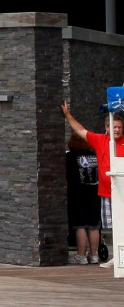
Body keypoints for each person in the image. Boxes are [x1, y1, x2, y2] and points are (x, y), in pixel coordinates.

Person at [63, 101, 123, 267]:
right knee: (112, 226)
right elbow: (81, 130)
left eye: (119, 127)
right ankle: (117, 257)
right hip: (106, 192)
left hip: (122, 191)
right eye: (114, 127)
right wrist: (67, 115)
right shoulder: (100, 140)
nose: (117, 130)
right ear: (107, 128)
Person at [67, 132, 102, 263]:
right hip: (94, 193)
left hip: (77, 194)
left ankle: (81, 256)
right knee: (93, 226)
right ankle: (94, 255)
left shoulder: (70, 157)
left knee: (80, 225)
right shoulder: (94, 155)